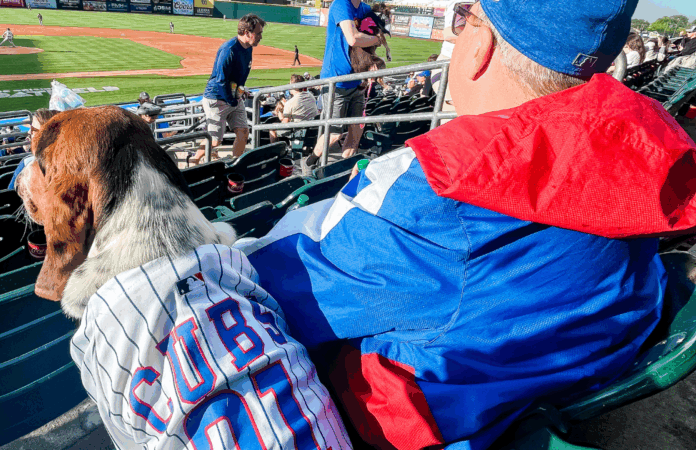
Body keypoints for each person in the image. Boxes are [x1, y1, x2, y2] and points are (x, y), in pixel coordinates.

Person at [237, 1, 696, 448]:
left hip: (417, 421)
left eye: (464, 16)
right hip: (561, 382)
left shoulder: (435, 189)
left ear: (483, 46)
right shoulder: (645, 150)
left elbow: (254, 284)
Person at [303, 0, 381, 173]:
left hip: (357, 81)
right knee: (335, 133)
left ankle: (343, 169)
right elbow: (353, 38)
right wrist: (377, 39)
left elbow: (369, 39)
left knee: (357, 129)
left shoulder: (365, 8)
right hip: (335, 81)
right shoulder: (340, 4)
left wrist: (371, 62)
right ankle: (309, 162)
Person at [192, 14, 266, 164]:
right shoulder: (229, 49)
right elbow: (221, 80)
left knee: (243, 132)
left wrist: (240, 91)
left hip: (233, 97)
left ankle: (235, 163)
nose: (260, 37)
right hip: (217, 98)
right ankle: (194, 160)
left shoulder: (248, 48)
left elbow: (238, 76)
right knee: (215, 141)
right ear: (247, 33)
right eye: (258, 33)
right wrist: (230, 99)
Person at [8, 108, 59, 190]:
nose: (29, 132)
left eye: (33, 130)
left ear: (45, 135)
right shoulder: (74, 162)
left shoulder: (28, 164)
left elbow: (11, 194)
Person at [270, 74, 319, 143]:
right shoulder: (311, 96)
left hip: (298, 132)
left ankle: (275, 151)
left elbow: (285, 124)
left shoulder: (290, 103)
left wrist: (280, 116)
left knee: (272, 128)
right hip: (312, 132)